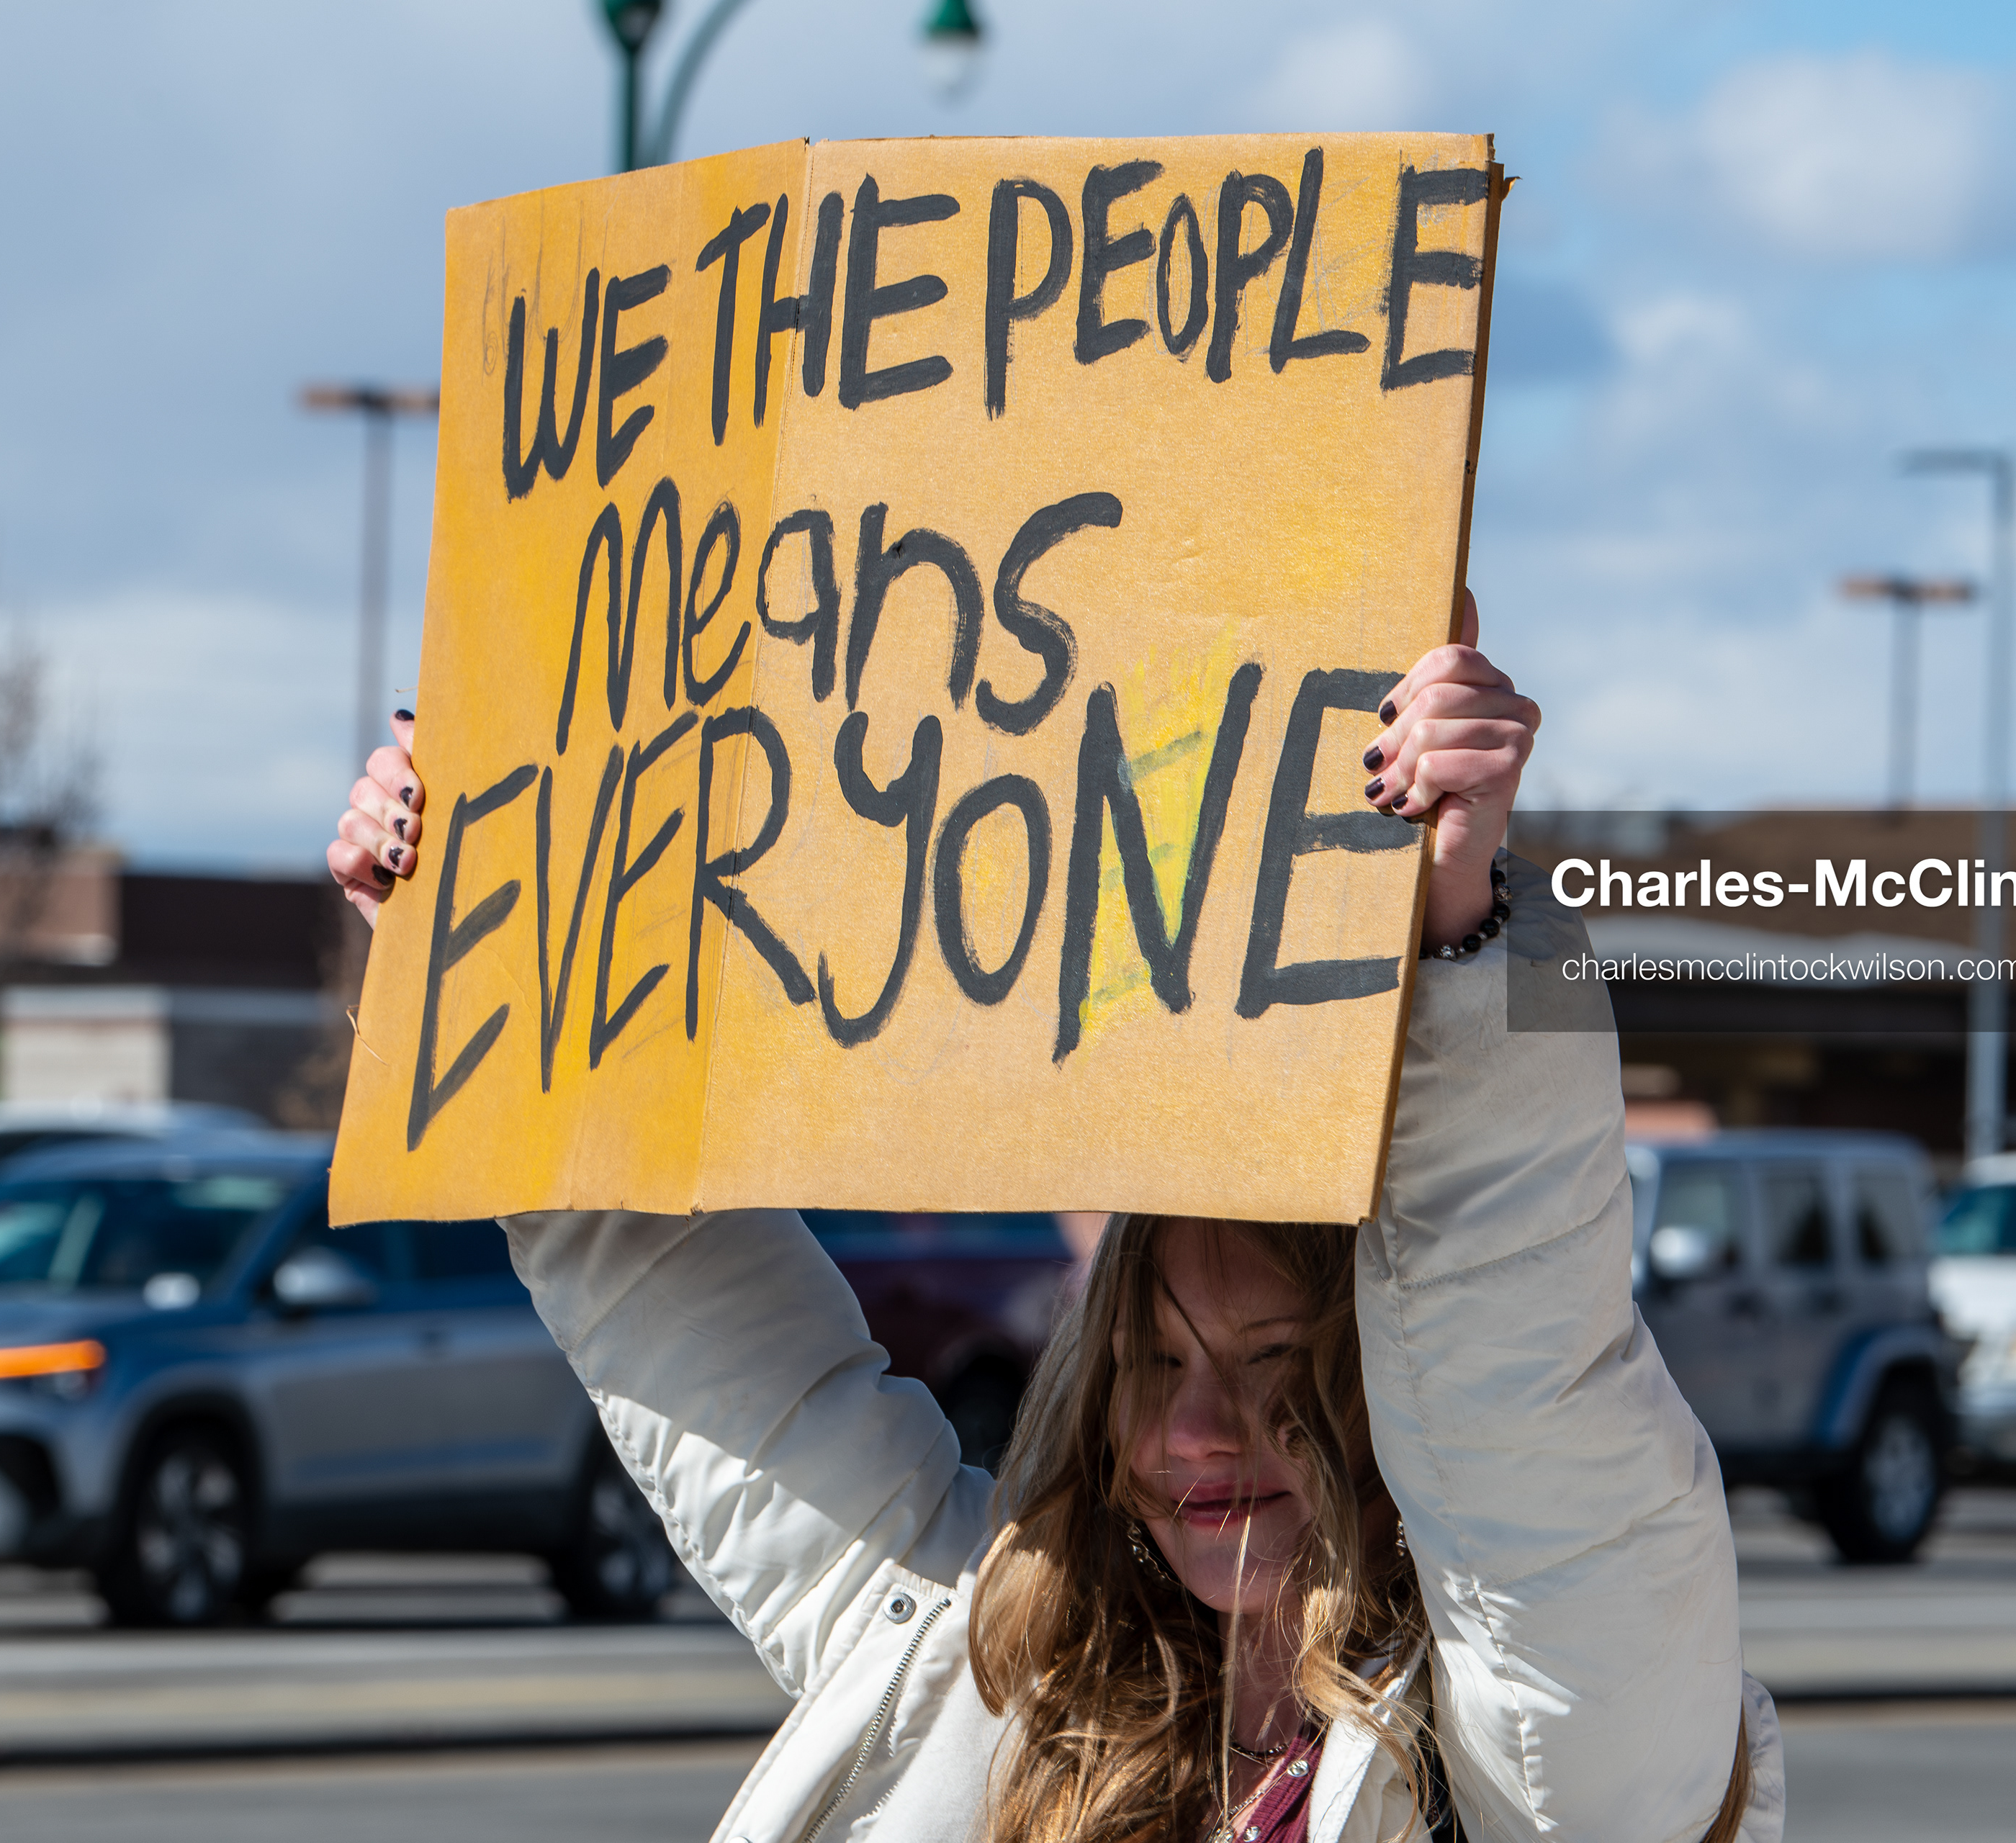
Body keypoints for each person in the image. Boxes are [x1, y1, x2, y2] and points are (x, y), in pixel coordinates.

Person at [328, 598, 1782, 1842]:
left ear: (1391, 1389)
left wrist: (1454, 923)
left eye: (1280, 1368)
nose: (1200, 1433)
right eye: (1156, 1365)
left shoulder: (1564, 1743)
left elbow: (1521, 1370)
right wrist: (472, 959)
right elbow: (674, 1305)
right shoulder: (978, 1672)